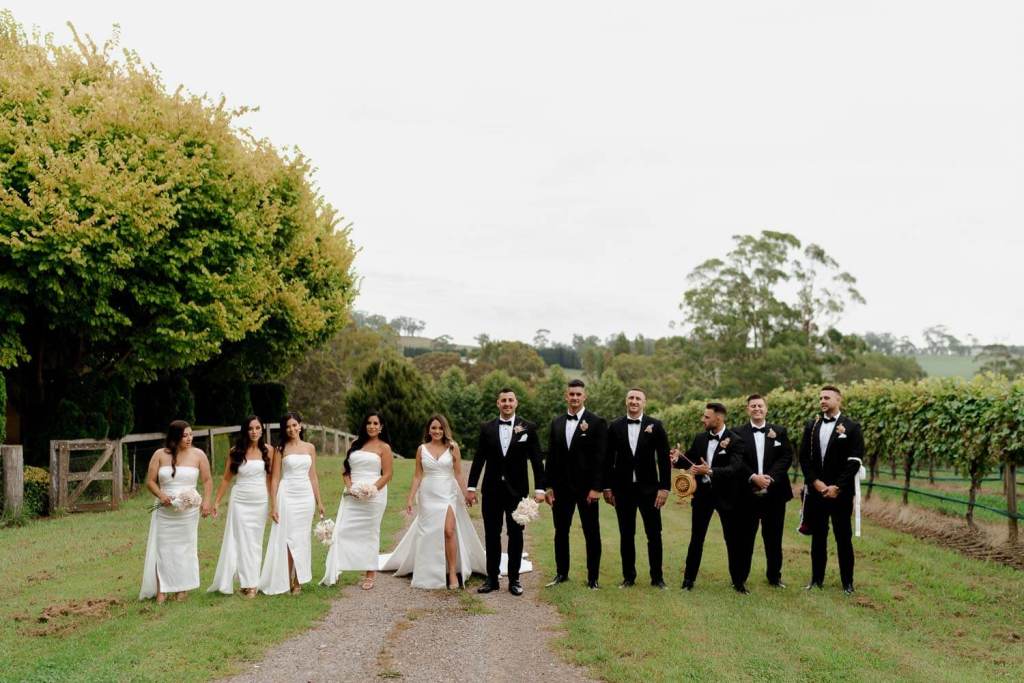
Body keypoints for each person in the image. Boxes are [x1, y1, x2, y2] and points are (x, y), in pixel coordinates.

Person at [382, 414, 486, 589]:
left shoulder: (453, 447)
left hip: (448, 493)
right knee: (429, 532)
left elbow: (459, 473)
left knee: (448, 530)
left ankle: (452, 573)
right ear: (428, 430)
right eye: (433, 428)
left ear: (445, 429)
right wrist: (410, 499)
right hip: (428, 494)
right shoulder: (421, 449)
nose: (437, 431)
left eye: (440, 428)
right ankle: (429, 572)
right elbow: (417, 476)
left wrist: (466, 493)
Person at [467, 388, 545, 596]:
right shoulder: (487, 428)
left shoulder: (528, 428)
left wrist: (539, 489)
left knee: (516, 535)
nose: (507, 404)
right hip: (491, 491)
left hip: (517, 492)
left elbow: (537, 461)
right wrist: (471, 487)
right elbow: (479, 459)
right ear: (497, 403)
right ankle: (492, 579)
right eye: (503, 400)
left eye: (510, 400)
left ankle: (514, 580)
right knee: (492, 535)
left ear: (516, 403)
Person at [670, 402, 748, 592]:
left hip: (727, 496)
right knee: (697, 538)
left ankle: (738, 583)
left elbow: (734, 469)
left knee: (732, 539)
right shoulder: (700, 438)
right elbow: (688, 459)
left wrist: (710, 471)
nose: (702, 420)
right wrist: (675, 459)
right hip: (703, 496)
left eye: (706, 417)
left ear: (718, 418)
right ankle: (688, 580)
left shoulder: (736, 440)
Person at [603, 388, 672, 589]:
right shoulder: (615, 426)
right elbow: (607, 459)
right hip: (622, 489)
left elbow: (664, 460)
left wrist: (664, 488)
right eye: (631, 398)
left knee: (654, 534)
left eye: (638, 398)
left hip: (650, 490)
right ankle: (628, 577)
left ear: (644, 402)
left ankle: (657, 578)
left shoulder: (655, 425)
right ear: (626, 401)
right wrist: (607, 487)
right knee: (626, 534)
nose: (634, 401)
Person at [799, 385, 865, 594]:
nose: (822, 401)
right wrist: (815, 483)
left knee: (843, 537)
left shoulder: (852, 427)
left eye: (827, 397)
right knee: (818, 536)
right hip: (817, 491)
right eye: (820, 398)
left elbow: (854, 461)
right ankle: (816, 580)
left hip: (841, 493)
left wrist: (838, 487)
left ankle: (848, 583)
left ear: (839, 400)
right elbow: (804, 458)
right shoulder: (812, 426)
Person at [139, 420, 213, 602]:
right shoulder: (159, 455)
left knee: (185, 549)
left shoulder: (199, 455)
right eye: (184, 435)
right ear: (175, 437)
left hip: (187, 512)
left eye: (190, 435)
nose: (189, 439)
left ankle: (182, 588)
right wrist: (161, 495)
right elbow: (150, 481)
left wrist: (206, 502)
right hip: (165, 511)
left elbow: (208, 480)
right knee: (163, 549)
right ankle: (162, 590)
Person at [545, 379, 608, 589]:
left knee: (591, 533)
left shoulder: (597, 422)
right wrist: (548, 487)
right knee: (560, 532)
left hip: (586, 489)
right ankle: (561, 573)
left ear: (584, 396)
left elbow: (601, 459)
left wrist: (597, 488)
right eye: (571, 394)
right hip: (561, 489)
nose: (574, 398)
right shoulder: (556, 422)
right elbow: (552, 457)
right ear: (566, 396)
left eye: (578, 394)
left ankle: (593, 579)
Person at [322, 411, 393, 591]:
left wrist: (373, 489)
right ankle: (336, 568)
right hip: (352, 494)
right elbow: (346, 470)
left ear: (381, 427)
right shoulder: (355, 444)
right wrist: (350, 487)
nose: (372, 426)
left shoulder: (384, 448)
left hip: (373, 496)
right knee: (342, 530)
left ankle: (370, 572)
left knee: (370, 533)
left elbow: (388, 474)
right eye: (369, 423)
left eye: (376, 423)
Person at [259, 411, 326, 595]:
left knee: (302, 539)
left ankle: (298, 580)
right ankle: (287, 578)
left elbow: (313, 477)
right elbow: (274, 478)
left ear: (300, 426)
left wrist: (319, 501)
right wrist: (274, 505)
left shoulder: (310, 448)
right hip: (287, 495)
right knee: (288, 539)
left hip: (305, 497)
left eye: (294, 425)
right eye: (288, 426)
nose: (291, 429)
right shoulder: (281, 449)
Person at [734, 395, 794, 589]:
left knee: (774, 538)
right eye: (753, 406)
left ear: (766, 409)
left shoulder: (779, 431)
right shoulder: (737, 433)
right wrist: (753, 477)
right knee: (744, 538)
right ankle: (740, 579)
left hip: (774, 493)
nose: (757, 409)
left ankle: (774, 577)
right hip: (747, 494)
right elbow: (736, 461)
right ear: (747, 410)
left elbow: (786, 457)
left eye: (760, 405)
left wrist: (768, 478)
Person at [208, 415, 271, 597]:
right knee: (242, 541)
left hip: (259, 500)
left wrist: (274, 504)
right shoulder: (236, 451)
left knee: (255, 542)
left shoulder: (269, 451)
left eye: (258, 428)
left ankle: (251, 581)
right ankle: (248, 583)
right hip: (240, 501)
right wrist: (217, 501)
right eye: (251, 428)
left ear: (262, 430)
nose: (254, 432)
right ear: (245, 430)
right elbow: (227, 478)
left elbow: (270, 480)